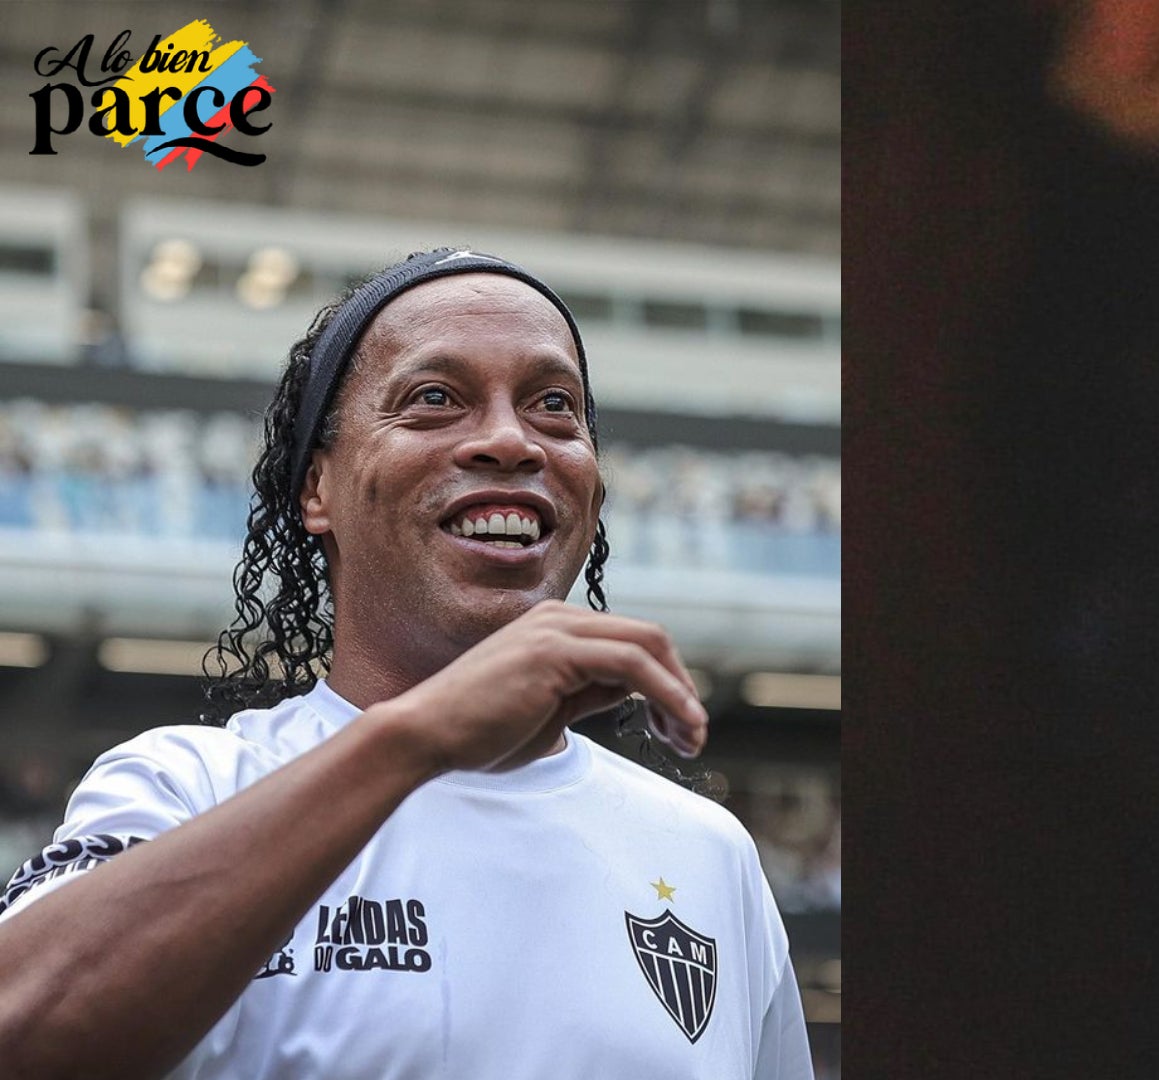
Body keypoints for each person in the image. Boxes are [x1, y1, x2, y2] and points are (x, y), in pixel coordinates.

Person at [0, 249, 813, 1078]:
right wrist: (414, 739)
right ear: (316, 488)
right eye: (434, 399)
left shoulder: (710, 853)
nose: (510, 440)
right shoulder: (192, 788)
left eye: (554, 406)